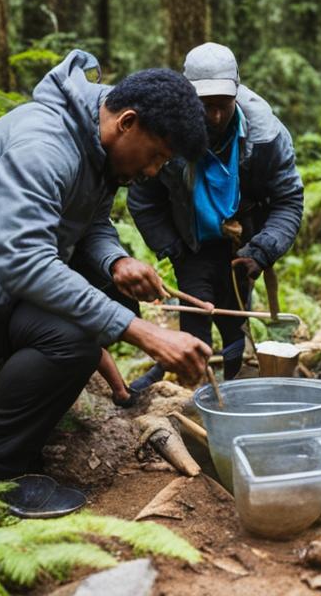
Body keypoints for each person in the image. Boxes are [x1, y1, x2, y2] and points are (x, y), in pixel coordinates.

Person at [0, 51, 211, 516]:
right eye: (155, 156)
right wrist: (143, 333)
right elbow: (24, 262)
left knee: (103, 301)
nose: (153, 171)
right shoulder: (45, 145)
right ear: (128, 123)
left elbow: (89, 219)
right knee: (75, 337)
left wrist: (115, 262)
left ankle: (21, 407)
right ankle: (0, 471)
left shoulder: (98, 142)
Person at [126, 42, 304, 389]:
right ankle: (197, 390)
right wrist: (172, 248)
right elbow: (143, 198)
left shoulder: (267, 136)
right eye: (205, 106)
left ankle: (233, 387)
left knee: (235, 318)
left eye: (224, 105)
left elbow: (288, 199)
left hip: (244, 246)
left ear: (237, 93)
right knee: (196, 318)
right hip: (191, 243)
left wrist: (263, 250)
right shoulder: (164, 133)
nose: (216, 116)